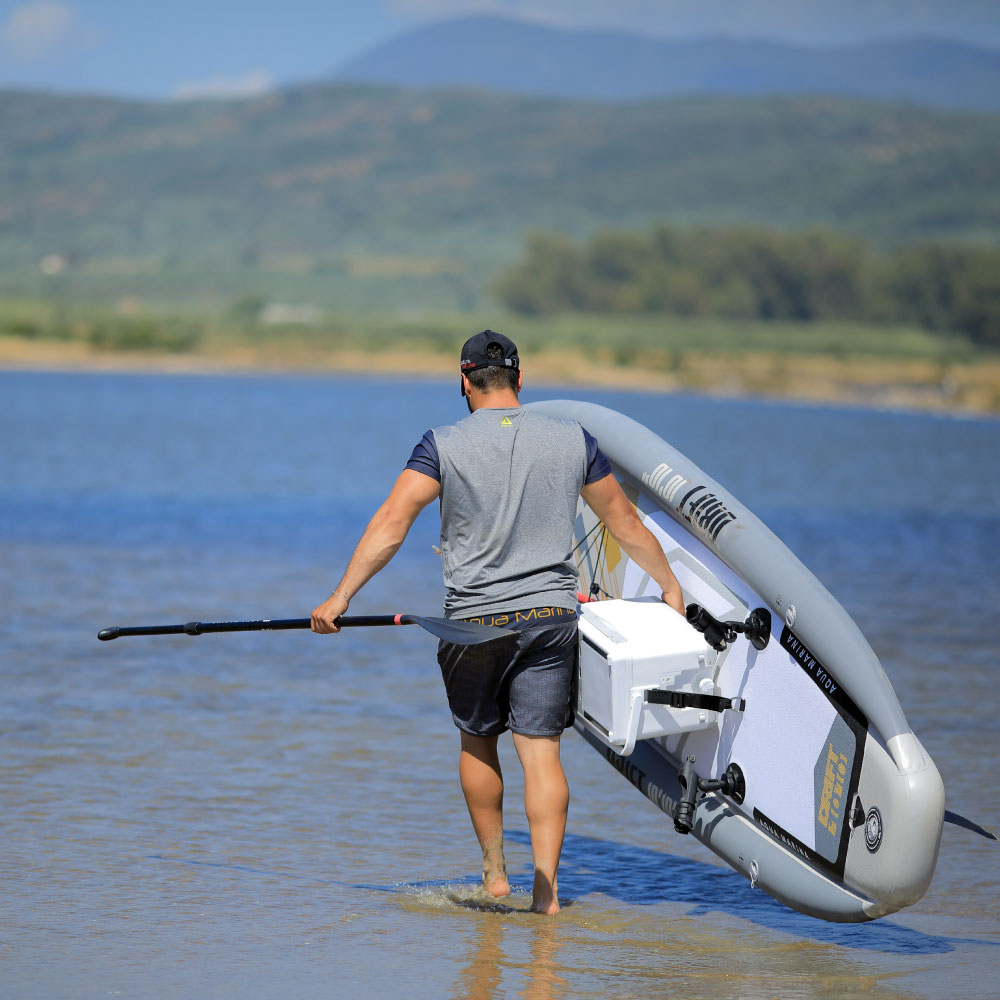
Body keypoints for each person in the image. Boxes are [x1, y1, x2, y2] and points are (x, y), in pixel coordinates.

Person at [311, 330, 684, 914]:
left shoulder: (441, 444)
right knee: (542, 754)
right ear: (519, 377)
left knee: (478, 741)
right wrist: (669, 587)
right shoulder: (573, 440)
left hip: (474, 624)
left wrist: (340, 597)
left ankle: (493, 873)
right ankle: (548, 894)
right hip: (550, 619)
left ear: (463, 379)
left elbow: (391, 523)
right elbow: (624, 521)